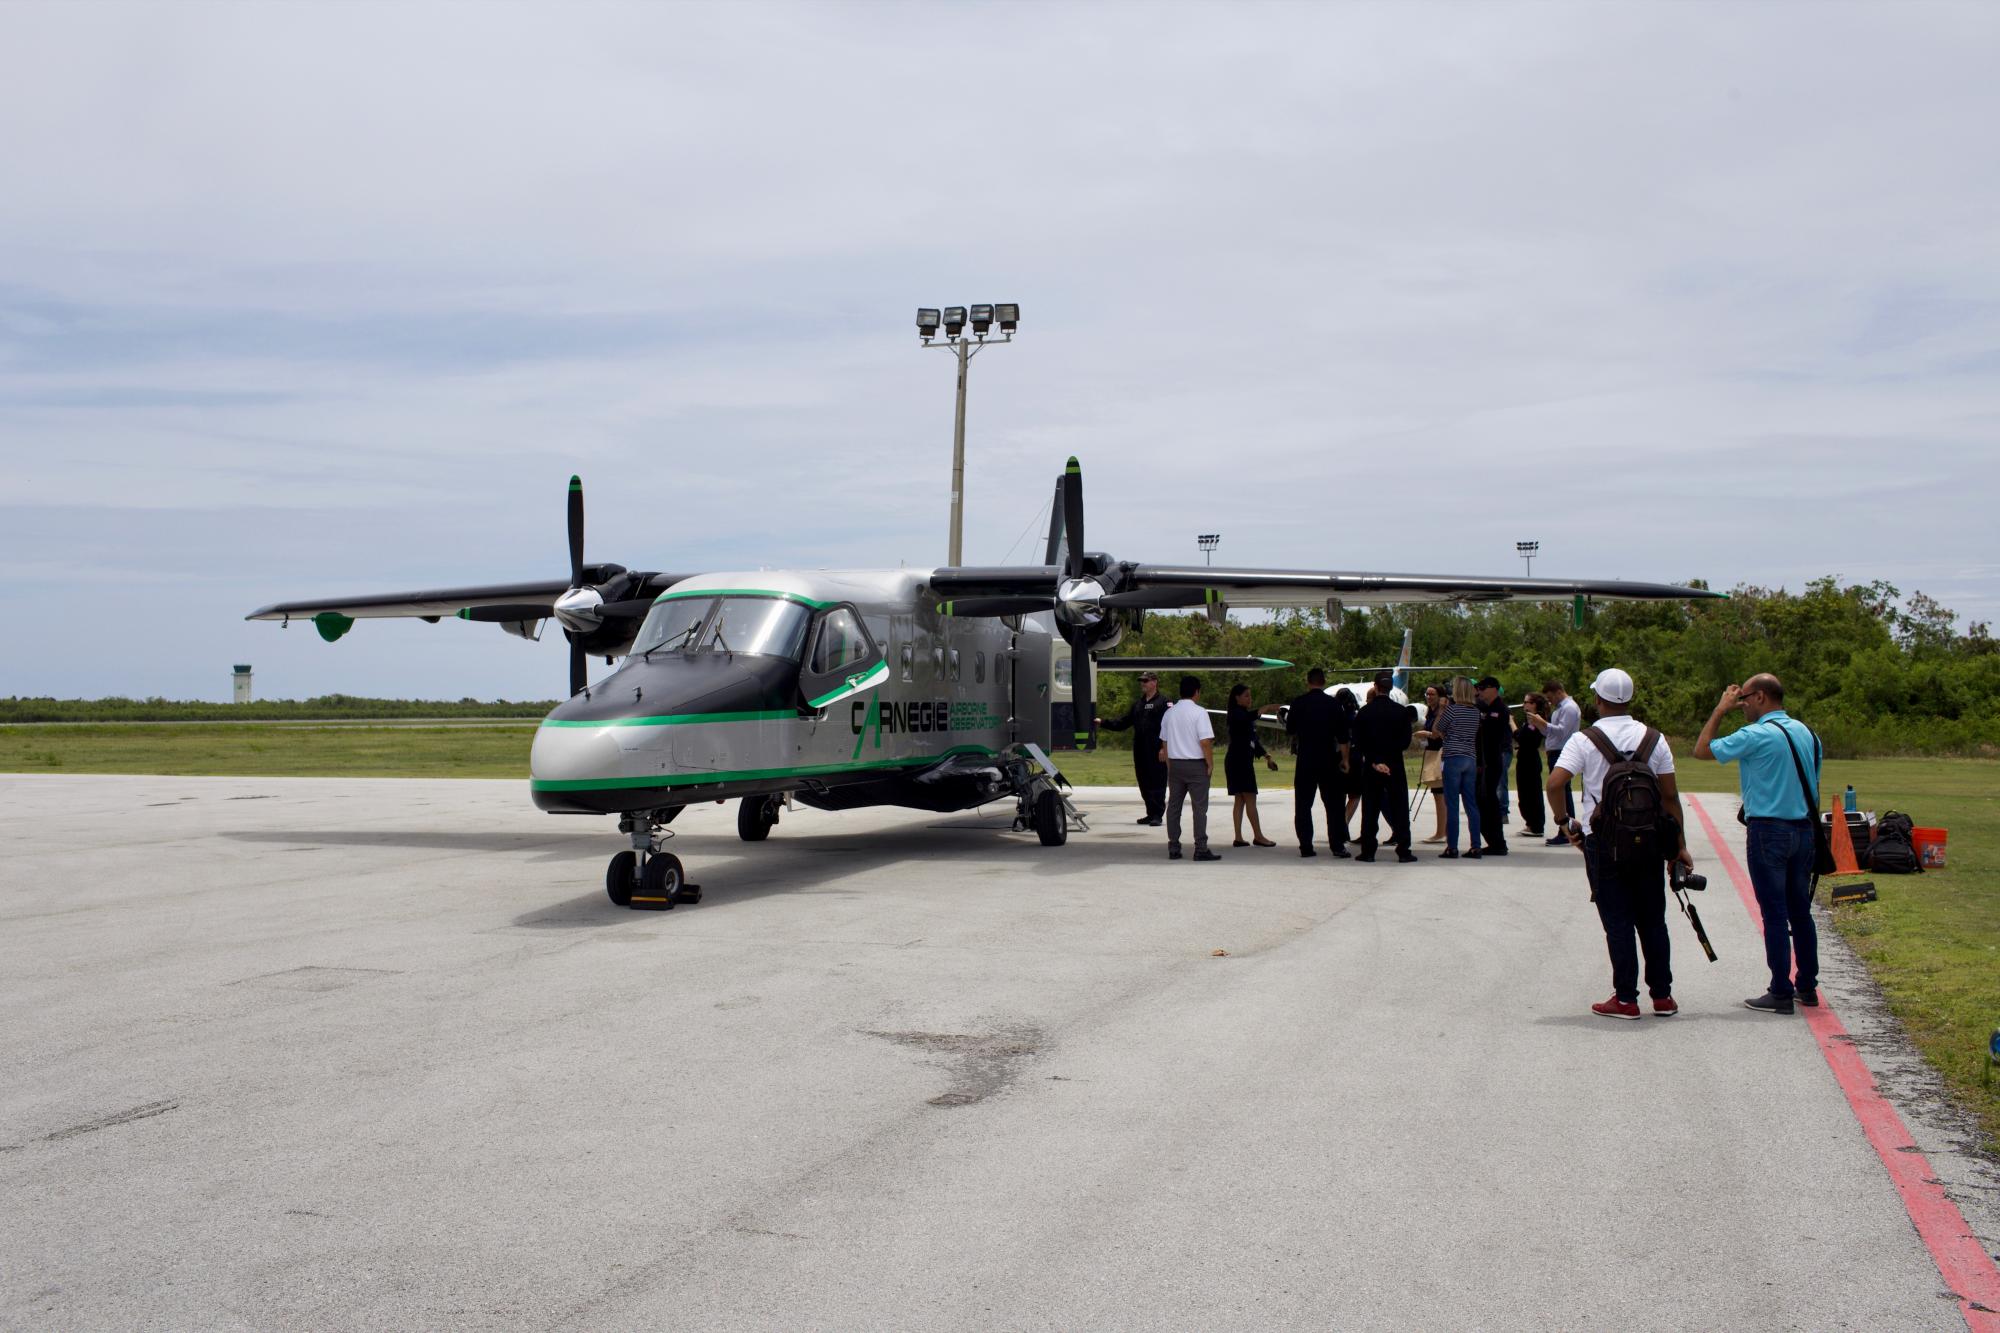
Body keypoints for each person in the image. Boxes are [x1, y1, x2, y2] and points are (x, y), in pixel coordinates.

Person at [1547, 668, 1692, 1021]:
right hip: (1649, 840)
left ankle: (1626, 999)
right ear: (1630, 699)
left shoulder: (1585, 740)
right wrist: (1679, 846)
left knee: (1618, 921)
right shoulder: (1654, 739)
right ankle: (1663, 996)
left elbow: (1554, 783)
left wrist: (1565, 821)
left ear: (1598, 699)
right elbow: (1670, 797)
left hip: (1603, 841)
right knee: (1653, 920)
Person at [1695, 672, 1822, 1015]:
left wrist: (1720, 710)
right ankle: (1807, 986)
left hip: (1768, 830)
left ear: (1761, 697)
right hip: (1804, 830)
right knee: (1800, 911)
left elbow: (1702, 749)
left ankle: (1780, 990)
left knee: (1775, 913)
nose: (1743, 706)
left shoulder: (1755, 734)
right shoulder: (1808, 734)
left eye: (1745, 699)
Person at [1350, 671, 1418, 863]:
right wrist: (1388, 759)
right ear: (1390, 688)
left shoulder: (1364, 712)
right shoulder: (1401, 712)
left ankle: (1368, 850)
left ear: (1376, 686)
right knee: (1400, 807)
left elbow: (1359, 741)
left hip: (1372, 766)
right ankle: (1404, 850)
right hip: (1394, 764)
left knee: (1370, 809)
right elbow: (1405, 741)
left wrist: (1375, 761)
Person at [1285, 668, 1352, 859]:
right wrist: (1345, 760)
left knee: (1303, 804)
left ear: (1308, 682)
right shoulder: (1333, 704)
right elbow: (1343, 737)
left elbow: (1290, 729)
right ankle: (1337, 845)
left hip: (1306, 758)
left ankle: (1306, 846)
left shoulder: (1298, 703)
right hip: (1328, 759)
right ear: (1323, 682)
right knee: (1334, 805)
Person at [1159, 675, 1221, 862]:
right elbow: (1205, 742)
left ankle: (1174, 846)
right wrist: (1210, 763)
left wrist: (1169, 763)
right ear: (1197, 692)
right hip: (1196, 765)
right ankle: (1200, 847)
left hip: (1175, 764)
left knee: (1174, 807)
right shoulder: (1200, 712)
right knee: (1199, 808)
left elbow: (1164, 741)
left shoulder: (1169, 713)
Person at [1097, 671, 1172, 824]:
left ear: (1154, 682)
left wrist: (1164, 748)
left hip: (1157, 750)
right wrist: (1103, 722)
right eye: (1141, 681)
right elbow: (1123, 722)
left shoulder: (1164, 702)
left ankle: (1157, 814)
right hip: (1140, 750)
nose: (1142, 684)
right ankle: (1150, 813)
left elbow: (1171, 726)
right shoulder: (1138, 704)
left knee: (1157, 781)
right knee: (1143, 782)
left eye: (1146, 681)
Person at [1224, 683, 1281, 848]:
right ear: (1237, 698)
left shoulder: (1242, 715)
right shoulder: (1237, 714)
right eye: (1246, 695)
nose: (1250, 698)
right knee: (1249, 797)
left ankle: (1239, 837)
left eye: (1250, 695)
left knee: (1240, 799)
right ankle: (1258, 836)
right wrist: (1267, 708)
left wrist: (1267, 756)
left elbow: (1253, 740)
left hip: (1238, 761)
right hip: (1239, 762)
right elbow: (1248, 718)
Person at [1527, 678, 1581, 845]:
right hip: (1555, 751)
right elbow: (1550, 733)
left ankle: (1567, 831)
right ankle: (1567, 830)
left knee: (1561, 791)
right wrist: (1540, 725)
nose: (1549, 701)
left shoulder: (1569, 708)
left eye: (1550, 697)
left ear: (1558, 692)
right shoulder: (1559, 709)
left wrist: (1543, 723)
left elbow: (1562, 732)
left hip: (1561, 751)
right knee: (1562, 791)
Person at [1436, 677, 1483, 859]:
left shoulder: (1452, 710)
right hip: (1470, 757)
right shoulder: (1475, 712)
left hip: (1453, 756)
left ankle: (1452, 846)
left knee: (1452, 804)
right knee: (1471, 803)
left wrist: (1442, 709)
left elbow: (1438, 729)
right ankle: (1476, 845)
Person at [1473, 675, 1510, 856]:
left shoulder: (1499, 709)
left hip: (1491, 761)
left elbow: (1491, 736)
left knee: (1488, 801)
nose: (1480, 692)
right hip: (1485, 761)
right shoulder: (1487, 708)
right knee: (1484, 801)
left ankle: (1497, 842)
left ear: (1494, 689)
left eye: (1483, 688)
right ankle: (1494, 841)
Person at [1413, 684, 1448, 843]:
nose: (1428, 697)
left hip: (1440, 754)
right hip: (1431, 752)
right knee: (1438, 794)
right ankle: (1443, 831)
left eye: (1432, 694)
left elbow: (1436, 733)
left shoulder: (1442, 712)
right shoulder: (1430, 712)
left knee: (1440, 794)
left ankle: (1441, 832)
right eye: (1427, 694)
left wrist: (1425, 733)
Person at [1513, 692, 1548, 838]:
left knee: (1532, 794)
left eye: (1527, 702)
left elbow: (1522, 738)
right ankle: (1530, 823)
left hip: (1530, 760)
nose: (1524, 705)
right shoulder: (1528, 720)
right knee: (1524, 794)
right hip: (1524, 759)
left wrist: (1511, 724)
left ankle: (1536, 825)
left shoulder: (1536, 720)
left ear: (1534, 705)